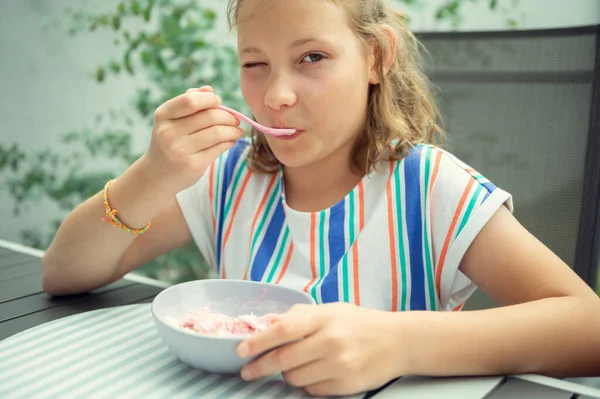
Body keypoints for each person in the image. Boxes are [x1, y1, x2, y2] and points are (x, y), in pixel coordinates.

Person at [42, 0, 600, 396]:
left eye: (312, 57)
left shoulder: (431, 189)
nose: (276, 96)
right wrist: (152, 174)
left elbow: (587, 328)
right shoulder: (231, 178)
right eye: (254, 64)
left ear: (377, 57)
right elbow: (63, 272)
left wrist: (399, 343)